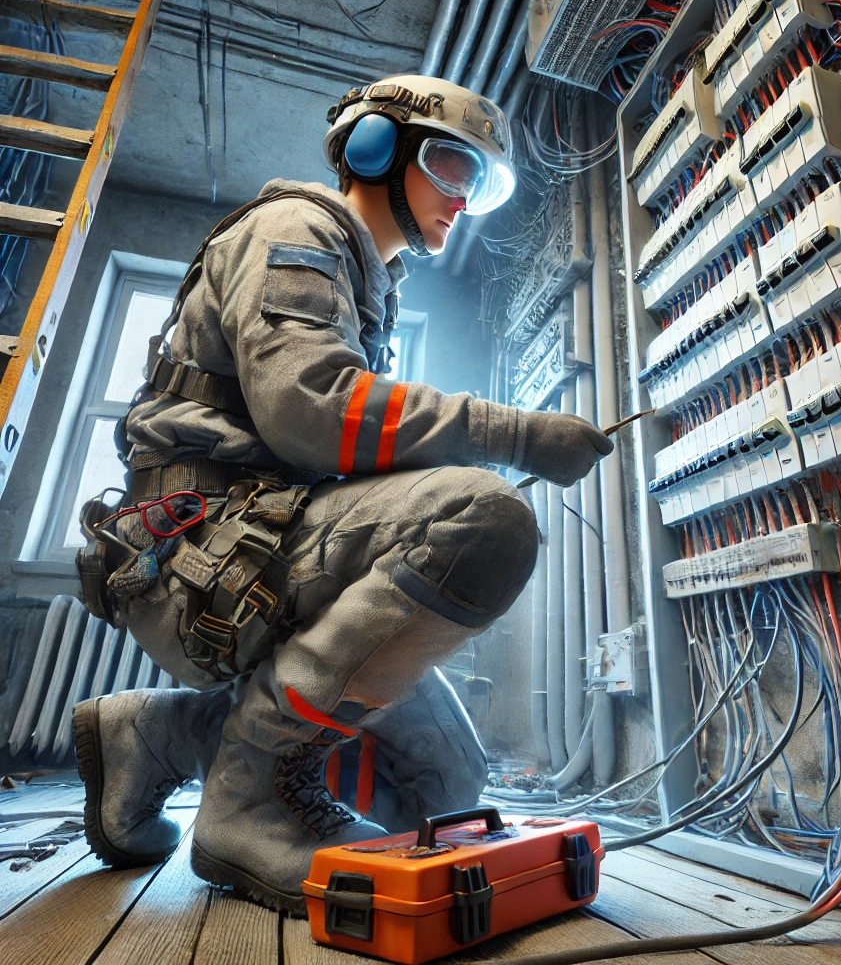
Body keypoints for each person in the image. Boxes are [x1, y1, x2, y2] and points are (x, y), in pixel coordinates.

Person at [72, 76, 614, 914]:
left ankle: (156, 734)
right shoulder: (298, 229)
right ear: (374, 148)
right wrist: (513, 434)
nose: (462, 199)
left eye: (476, 183)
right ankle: (248, 800)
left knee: (446, 790)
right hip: (207, 555)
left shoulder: (370, 283)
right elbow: (312, 411)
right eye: (451, 165)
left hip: (263, 541)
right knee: (487, 519)